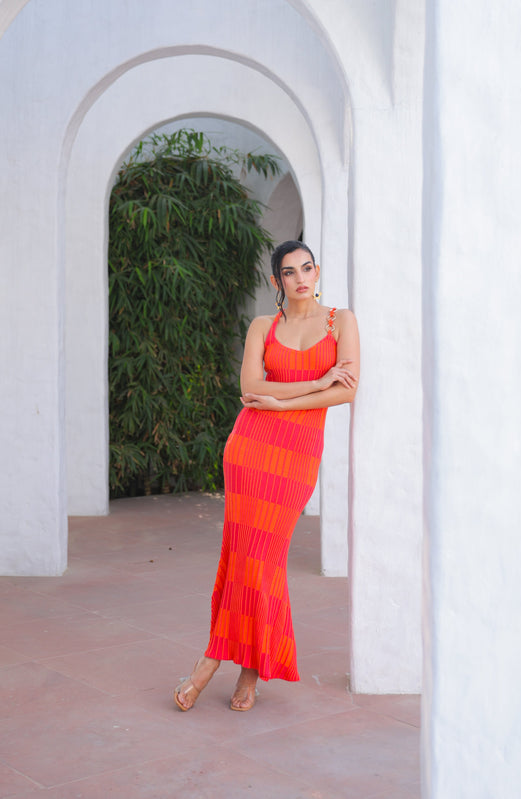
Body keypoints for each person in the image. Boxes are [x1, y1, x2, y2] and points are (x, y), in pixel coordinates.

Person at [174, 240, 360, 712]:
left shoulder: (342, 322)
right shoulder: (263, 326)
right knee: (242, 555)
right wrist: (315, 381)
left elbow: (346, 392)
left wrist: (281, 402)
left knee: (264, 558)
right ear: (276, 280)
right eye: (289, 272)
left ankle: (214, 660)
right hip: (250, 448)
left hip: (297, 455)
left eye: (307, 268)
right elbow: (250, 387)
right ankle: (244, 670)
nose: (300, 278)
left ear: (317, 272)